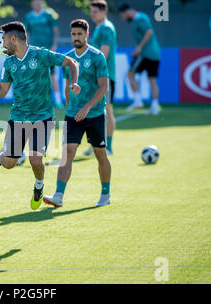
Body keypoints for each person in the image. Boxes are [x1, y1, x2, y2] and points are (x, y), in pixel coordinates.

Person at [0, 22, 80, 210]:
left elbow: (71, 62)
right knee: (9, 164)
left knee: (35, 159)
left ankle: (39, 185)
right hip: (18, 117)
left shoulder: (41, 54)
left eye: (3, 40)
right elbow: (2, 90)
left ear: (13, 39)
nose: (2, 45)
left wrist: (74, 83)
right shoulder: (9, 62)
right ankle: (1, 156)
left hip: (43, 117)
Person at [43, 19, 111, 209]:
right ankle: (58, 195)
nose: (76, 37)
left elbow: (104, 87)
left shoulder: (97, 57)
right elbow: (67, 87)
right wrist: (69, 107)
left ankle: (105, 194)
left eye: (80, 34)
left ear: (87, 35)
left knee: (100, 154)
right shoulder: (68, 58)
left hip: (95, 113)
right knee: (67, 153)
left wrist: (87, 107)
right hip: (73, 115)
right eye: (73, 34)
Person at [84, 0, 116, 156]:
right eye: (91, 11)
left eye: (95, 11)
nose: (92, 14)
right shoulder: (99, 28)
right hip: (96, 76)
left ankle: (108, 147)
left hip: (105, 76)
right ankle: (95, 144)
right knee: (94, 110)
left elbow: (103, 55)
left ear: (104, 12)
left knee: (107, 110)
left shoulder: (107, 29)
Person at [118, 3, 161, 116]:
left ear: (126, 12)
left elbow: (149, 32)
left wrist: (139, 47)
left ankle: (138, 101)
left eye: (122, 16)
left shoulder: (139, 18)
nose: (123, 19)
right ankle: (155, 106)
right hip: (155, 53)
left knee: (130, 73)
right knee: (152, 79)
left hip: (145, 54)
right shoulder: (143, 17)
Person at [24, 0, 63, 109]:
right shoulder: (28, 17)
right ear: (31, 3)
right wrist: (26, 48)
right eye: (35, 2)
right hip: (34, 52)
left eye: (39, 2)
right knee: (34, 75)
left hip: (48, 51)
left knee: (52, 76)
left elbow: (56, 30)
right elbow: (27, 34)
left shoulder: (49, 15)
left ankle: (58, 101)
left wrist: (55, 45)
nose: (37, 3)